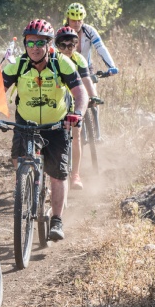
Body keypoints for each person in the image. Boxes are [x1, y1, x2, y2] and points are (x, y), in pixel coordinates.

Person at [0, 19, 88, 241]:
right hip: (25, 123)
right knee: (18, 160)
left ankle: (57, 219)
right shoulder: (17, 65)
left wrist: (77, 113)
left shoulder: (62, 64)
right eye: (30, 43)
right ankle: (26, 184)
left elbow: (80, 93)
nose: (35, 48)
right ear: (25, 45)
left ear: (49, 45)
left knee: (58, 175)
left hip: (56, 124)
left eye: (41, 43)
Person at [65, 2, 118, 143]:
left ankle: (97, 134)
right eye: (73, 19)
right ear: (68, 18)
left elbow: (100, 47)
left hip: (86, 68)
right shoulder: (63, 32)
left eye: (79, 19)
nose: (77, 23)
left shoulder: (89, 31)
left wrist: (111, 66)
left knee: (93, 97)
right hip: (66, 69)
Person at [54, 26, 98, 190]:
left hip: (75, 100)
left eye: (71, 46)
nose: (67, 49)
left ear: (75, 46)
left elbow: (86, 80)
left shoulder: (79, 59)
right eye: (63, 46)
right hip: (56, 100)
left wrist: (92, 96)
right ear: (57, 46)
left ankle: (75, 175)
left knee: (76, 134)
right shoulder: (52, 58)